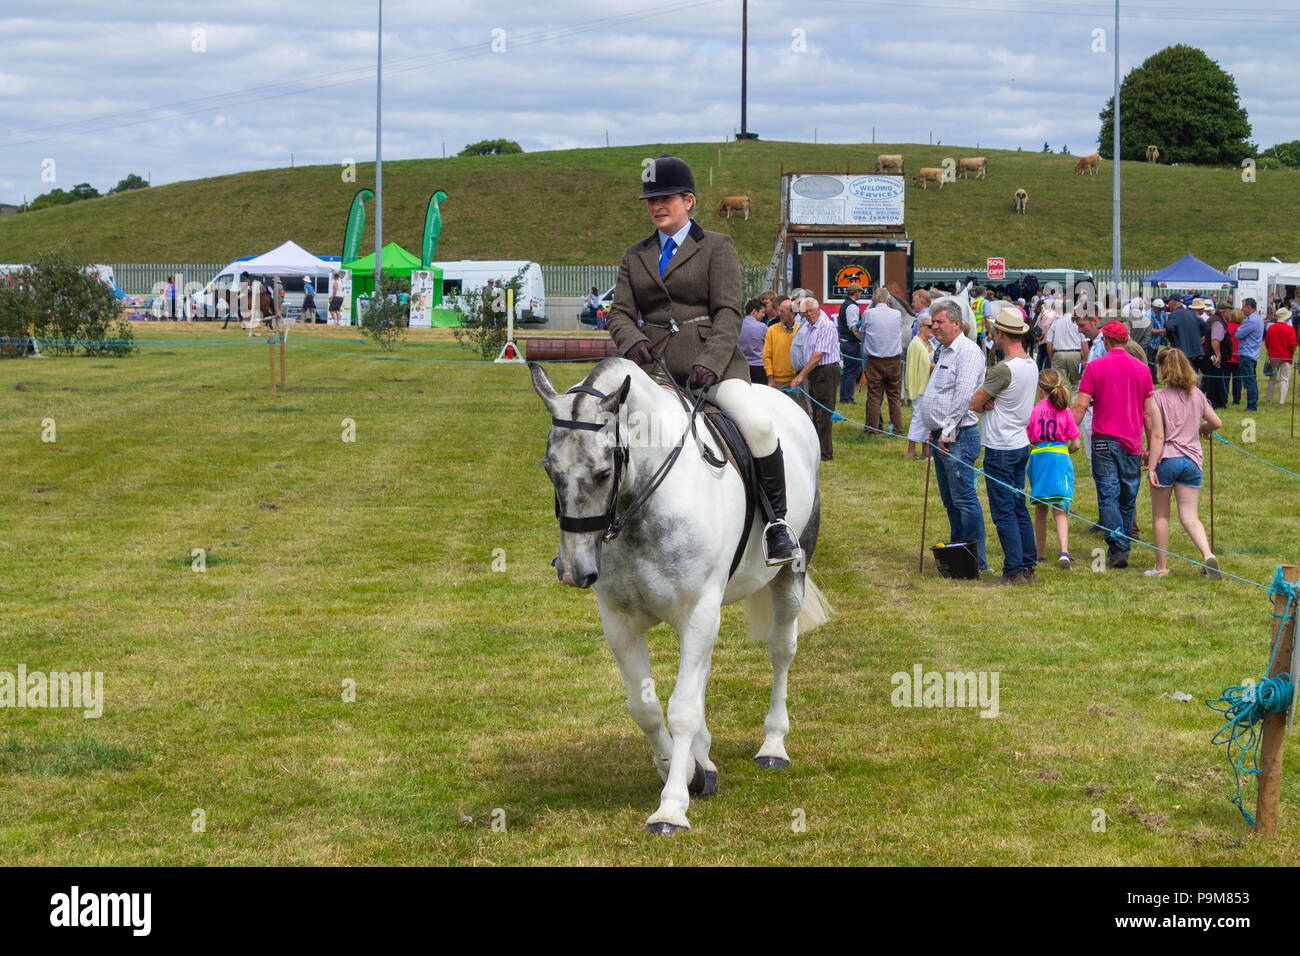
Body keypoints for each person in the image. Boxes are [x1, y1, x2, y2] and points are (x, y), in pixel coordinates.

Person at [606, 154, 800, 563]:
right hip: (653, 370)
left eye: (667, 199)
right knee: (603, 432)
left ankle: (777, 524)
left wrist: (710, 361)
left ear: (689, 201)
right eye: (651, 200)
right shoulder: (634, 254)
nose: (657, 206)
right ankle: (599, 526)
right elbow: (620, 311)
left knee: (760, 424)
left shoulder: (716, 246)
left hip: (712, 368)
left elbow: (729, 311)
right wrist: (632, 341)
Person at [1072, 321, 1156, 569]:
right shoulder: (1143, 370)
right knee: (1127, 495)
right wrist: (1151, 446)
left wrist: (1064, 431)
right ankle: (1123, 542)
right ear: (1126, 340)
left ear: (1106, 341)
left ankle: (1118, 545)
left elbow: (1081, 406)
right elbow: (1148, 414)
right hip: (1132, 441)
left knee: (1108, 493)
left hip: (1103, 440)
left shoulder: (1095, 367)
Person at [913, 300, 988, 573]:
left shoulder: (968, 352)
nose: (934, 326)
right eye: (932, 322)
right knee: (950, 500)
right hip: (941, 436)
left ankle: (976, 562)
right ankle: (960, 555)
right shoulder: (943, 351)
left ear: (956, 324)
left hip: (958, 436)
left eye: (939, 322)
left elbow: (964, 397)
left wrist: (946, 432)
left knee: (964, 498)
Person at [969, 309, 1040, 586]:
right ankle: (1027, 565)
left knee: (1004, 512)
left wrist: (987, 401)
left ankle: (1012, 571)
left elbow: (974, 402)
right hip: (1020, 443)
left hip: (1000, 447)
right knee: (1018, 506)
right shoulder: (1031, 364)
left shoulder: (1003, 369)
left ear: (1000, 334)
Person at [1145, 348, 1221, 578]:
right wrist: (1201, 429)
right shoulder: (1197, 394)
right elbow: (1216, 422)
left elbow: (1158, 435)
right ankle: (1208, 555)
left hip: (1168, 459)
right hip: (1192, 461)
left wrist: (1151, 467)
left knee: (1161, 516)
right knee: (1190, 516)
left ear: (1163, 370)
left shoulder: (1157, 397)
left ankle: (1161, 568)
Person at [1026, 369, 1080, 570]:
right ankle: (1064, 551)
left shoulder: (1035, 410)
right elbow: (1076, 444)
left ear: (1040, 389)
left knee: (1040, 508)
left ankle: (1040, 554)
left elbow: (1029, 438)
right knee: (1060, 508)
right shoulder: (1065, 410)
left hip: (1039, 458)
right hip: (1059, 458)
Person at [789, 297, 841, 461]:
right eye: (806, 312)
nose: (809, 315)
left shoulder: (825, 326)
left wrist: (801, 376)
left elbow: (818, 355)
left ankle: (825, 453)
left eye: (811, 311)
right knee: (816, 412)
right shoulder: (811, 326)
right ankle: (817, 449)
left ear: (818, 309)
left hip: (826, 371)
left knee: (824, 414)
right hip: (815, 373)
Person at [858, 287, 905, 437]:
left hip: (874, 360)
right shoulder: (897, 314)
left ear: (873, 300)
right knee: (894, 396)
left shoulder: (868, 314)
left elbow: (862, 332)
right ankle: (897, 429)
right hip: (893, 360)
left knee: (874, 396)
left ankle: (873, 429)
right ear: (888, 300)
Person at [763, 298, 806, 412]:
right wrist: (770, 379)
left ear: (792, 313)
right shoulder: (772, 330)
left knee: (797, 411)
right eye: (779, 311)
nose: (779, 314)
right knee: (778, 411)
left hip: (797, 380)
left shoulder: (801, 329)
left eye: (782, 311)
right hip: (778, 382)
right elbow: (766, 356)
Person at [904, 315, 937, 458]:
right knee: (918, 418)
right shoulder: (915, 344)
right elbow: (915, 368)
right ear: (921, 326)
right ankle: (911, 450)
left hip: (931, 388)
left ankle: (926, 450)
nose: (933, 329)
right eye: (930, 326)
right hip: (920, 388)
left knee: (928, 420)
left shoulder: (931, 344)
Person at [1044, 300, 1083, 389]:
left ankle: (1063, 402)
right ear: (1073, 309)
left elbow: (1049, 342)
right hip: (1075, 353)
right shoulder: (1077, 322)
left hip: (1059, 353)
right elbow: (1084, 342)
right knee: (1076, 383)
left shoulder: (1056, 323)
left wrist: (1051, 358)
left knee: (1060, 384)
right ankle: (1073, 402)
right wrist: (1085, 358)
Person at [1235, 297, 1265, 411]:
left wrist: (1239, 328)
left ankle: (1252, 406)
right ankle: (1253, 403)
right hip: (1252, 353)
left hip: (1247, 354)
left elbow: (1239, 334)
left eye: (1243, 306)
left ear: (1249, 307)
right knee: (1251, 380)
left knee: (1249, 381)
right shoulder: (1258, 318)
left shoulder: (1252, 320)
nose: (1242, 309)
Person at [837, 283, 864, 403]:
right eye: (860, 292)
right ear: (856, 292)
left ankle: (844, 397)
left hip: (845, 342)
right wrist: (861, 339)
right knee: (852, 371)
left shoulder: (845, 304)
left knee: (848, 371)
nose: (861, 294)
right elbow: (853, 327)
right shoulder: (852, 307)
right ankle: (848, 397)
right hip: (851, 343)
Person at [1264, 308, 1297, 405]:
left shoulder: (1271, 328)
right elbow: (1294, 346)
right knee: (1284, 379)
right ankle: (1281, 401)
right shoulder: (1290, 329)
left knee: (1272, 379)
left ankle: (1268, 400)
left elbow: (1267, 344)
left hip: (1274, 357)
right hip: (1286, 357)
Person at [739, 297, 770, 384]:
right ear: (754, 311)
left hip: (742, 365)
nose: (764, 315)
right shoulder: (762, 327)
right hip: (758, 366)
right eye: (762, 312)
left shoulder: (738, 325)